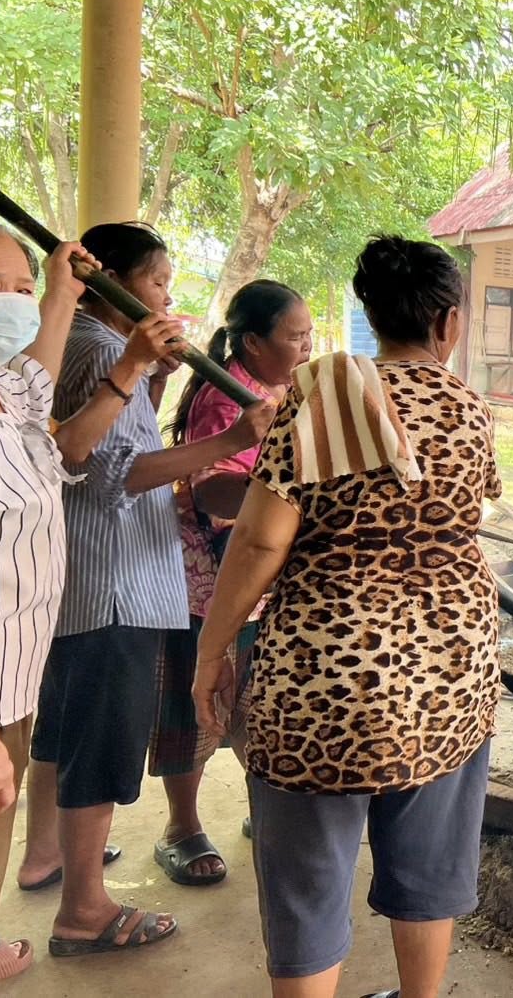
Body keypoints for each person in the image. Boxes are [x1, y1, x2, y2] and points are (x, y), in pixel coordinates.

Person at [192, 236, 501, 998]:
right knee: (429, 863)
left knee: (307, 877)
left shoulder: (321, 395)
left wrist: (212, 650)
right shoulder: (470, 408)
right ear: (448, 322)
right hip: (449, 673)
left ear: (372, 315)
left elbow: (261, 539)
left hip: (323, 676)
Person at [21, 222, 274, 957]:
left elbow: (117, 446)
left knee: (64, 728)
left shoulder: (86, 344)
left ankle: (46, 854)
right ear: (108, 279)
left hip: (90, 577)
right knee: (101, 741)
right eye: (157, 281)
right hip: (117, 581)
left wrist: (154, 380)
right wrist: (231, 443)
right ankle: (84, 911)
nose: (166, 296)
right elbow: (115, 474)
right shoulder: (105, 350)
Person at [0, 216, 94, 994]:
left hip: (4, 684)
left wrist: (59, 289)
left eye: (19, 288)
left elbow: (36, 382)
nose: (8, 302)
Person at [163, 280, 311, 830]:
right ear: (252, 342)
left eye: (310, 335)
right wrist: (276, 497)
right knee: (197, 712)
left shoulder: (281, 389)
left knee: (255, 702)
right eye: (295, 337)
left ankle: (265, 811)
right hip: (214, 577)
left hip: (259, 576)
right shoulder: (228, 398)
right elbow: (211, 491)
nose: (307, 347)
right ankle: (183, 827)